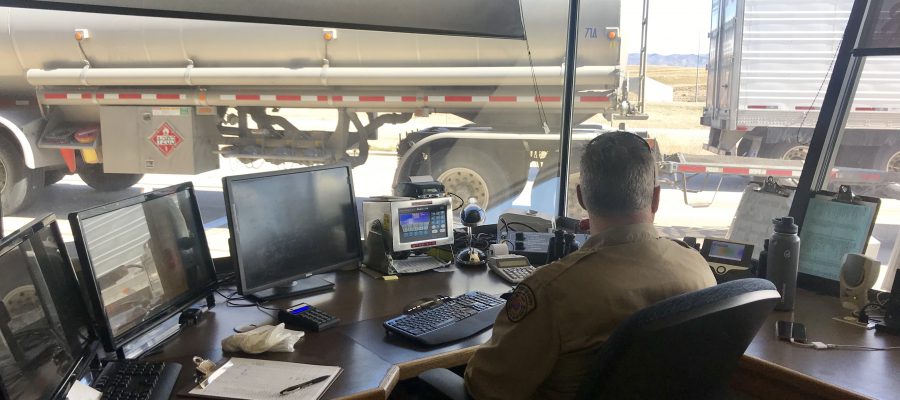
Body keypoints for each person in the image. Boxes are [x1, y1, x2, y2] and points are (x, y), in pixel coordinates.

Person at [464, 131, 716, 399]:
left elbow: (484, 386)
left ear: (582, 198)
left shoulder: (554, 291)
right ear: (656, 198)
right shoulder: (699, 269)